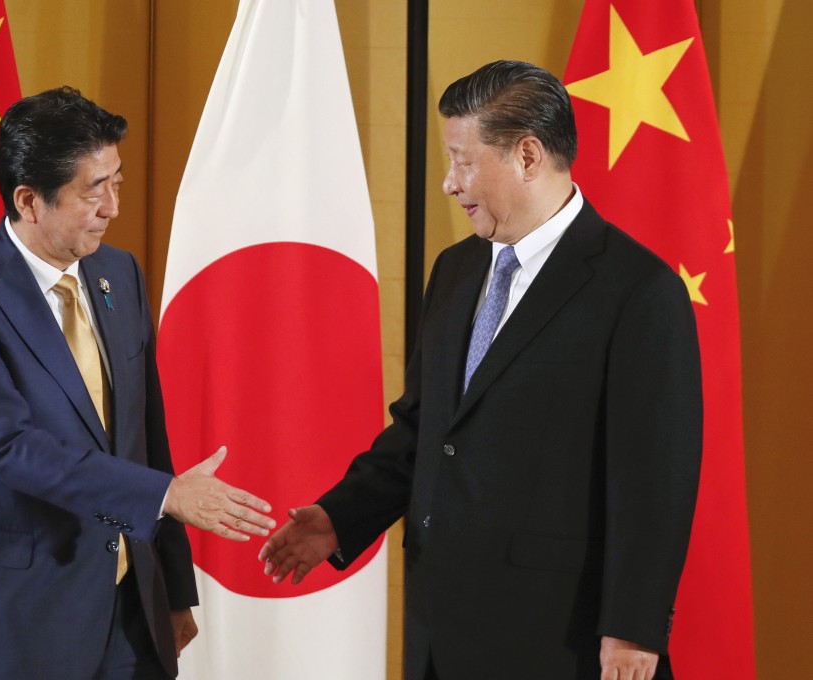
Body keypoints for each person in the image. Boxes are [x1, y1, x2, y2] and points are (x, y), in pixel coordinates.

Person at [259, 61, 702, 680]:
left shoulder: (638, 291)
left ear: (527, 156)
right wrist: (341, 517)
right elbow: (428, 429)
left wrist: (631, 628)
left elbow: (656, 482)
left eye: (463, 161)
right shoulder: (456, 270)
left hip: (559, 641)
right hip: (440, 633)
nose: (448, 183)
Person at [0, 87, 275, 680]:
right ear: (30, 201)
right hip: (26, 616)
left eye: (118, 181)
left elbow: (146, 431)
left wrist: (175, 585)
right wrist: (165, 497)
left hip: (133, 609)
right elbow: (10, 446)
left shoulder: (119, 273)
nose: (113, 206)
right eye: (94, 190)